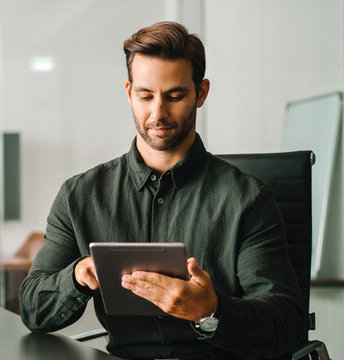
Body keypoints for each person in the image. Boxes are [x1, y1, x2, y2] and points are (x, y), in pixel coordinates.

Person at [19, 21, 304, 360]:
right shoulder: (79, 196)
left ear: (201, 93)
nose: (158, 113)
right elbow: (33, 308)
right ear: (129, 93)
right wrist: (79, 276)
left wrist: (212, 311)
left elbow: (287, 324)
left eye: (175, 96)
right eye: (145, 95)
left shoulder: (248, 198)